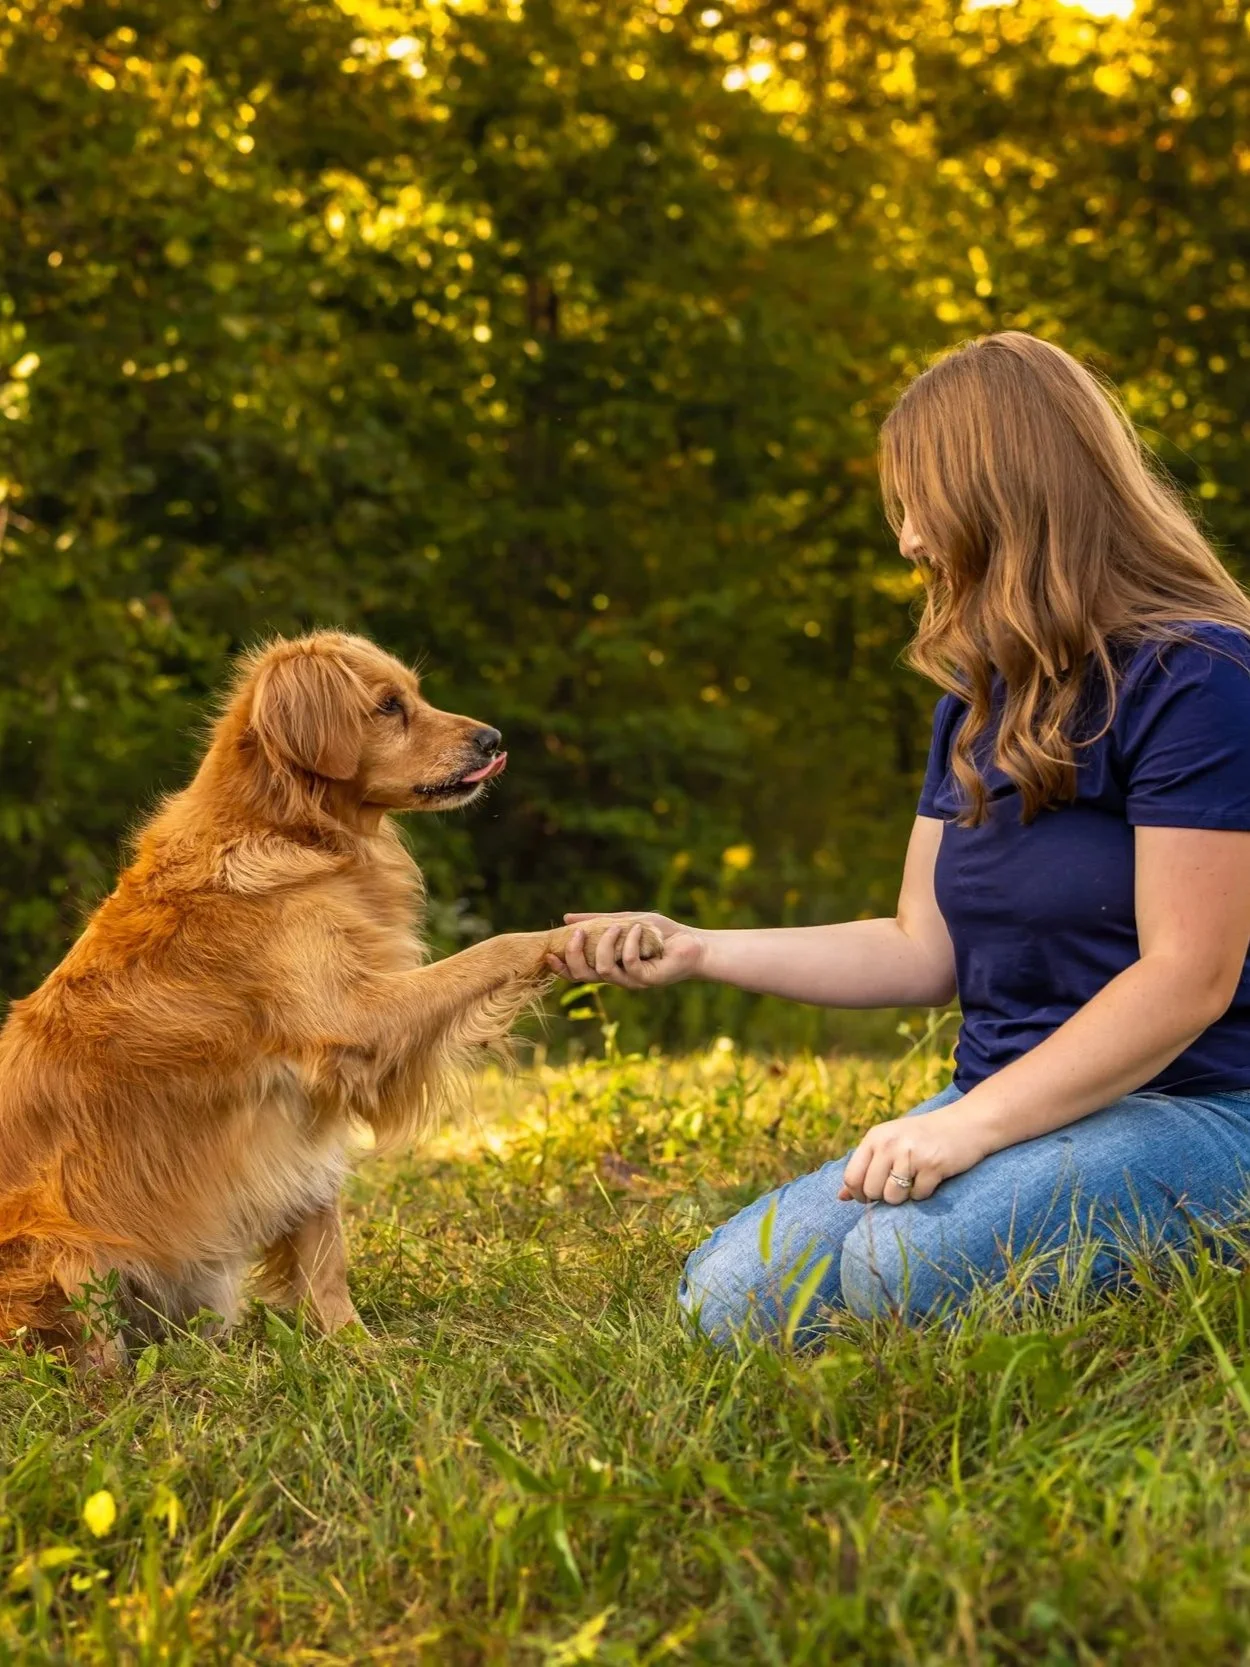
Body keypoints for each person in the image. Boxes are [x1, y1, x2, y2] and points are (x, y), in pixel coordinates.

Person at [548, 331, 1250, 1347]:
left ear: (1002, 495)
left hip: (1203, 1105)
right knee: (729, 1299)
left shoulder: (1201, 679)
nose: (908, 540)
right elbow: (920, 944)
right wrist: (696, 946)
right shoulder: (981, 703)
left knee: (898, 1265)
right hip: (1010, 1093)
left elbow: (1189, 974)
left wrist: (969, 1125)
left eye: (920, 503)